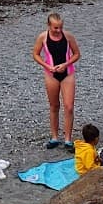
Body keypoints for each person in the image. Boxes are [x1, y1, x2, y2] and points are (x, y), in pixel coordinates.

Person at [32, 12, 81, 150]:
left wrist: (66, 64)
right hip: (51, 73)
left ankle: (68, 139)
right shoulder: (43, 37)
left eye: (60, 27)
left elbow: (77, 53)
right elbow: (35, 54)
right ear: (49, 26)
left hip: (67, 73)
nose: (58, 30)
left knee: (69, 106)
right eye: (55, 28)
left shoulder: (68, 36)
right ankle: (54, 137)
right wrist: (47, 66)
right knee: (54, 105)